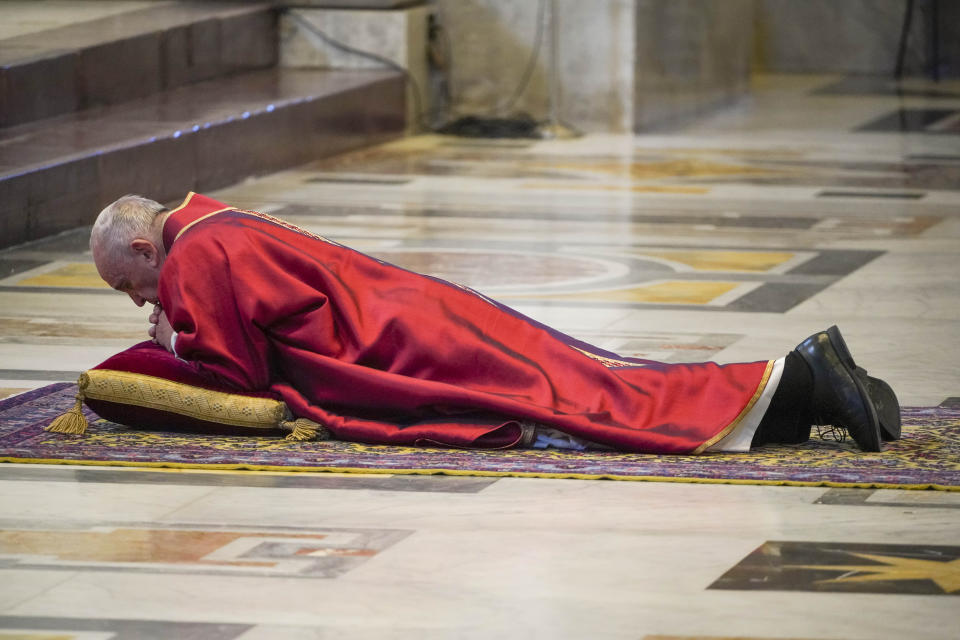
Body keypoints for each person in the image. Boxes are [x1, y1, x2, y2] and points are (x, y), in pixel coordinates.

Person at [88, 192, 900, 454]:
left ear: (139, 241)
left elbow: (239, 377)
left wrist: (164, 343)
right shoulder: (214, 221)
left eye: (133, 285)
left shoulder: (196, 256)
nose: (142, 302)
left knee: (583, 403)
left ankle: (804, 380)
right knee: (593, 380)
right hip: (421, 315)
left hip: (404, 346)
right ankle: (810, 382)